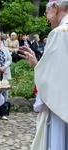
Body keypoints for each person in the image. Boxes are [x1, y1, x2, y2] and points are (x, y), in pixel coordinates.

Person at [19, 0, 68, 149]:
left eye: (47, 13)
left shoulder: (60, 33)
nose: (46, 19)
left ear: (55, 8)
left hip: (61, 105)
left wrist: (36, 65)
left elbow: (54, 78)